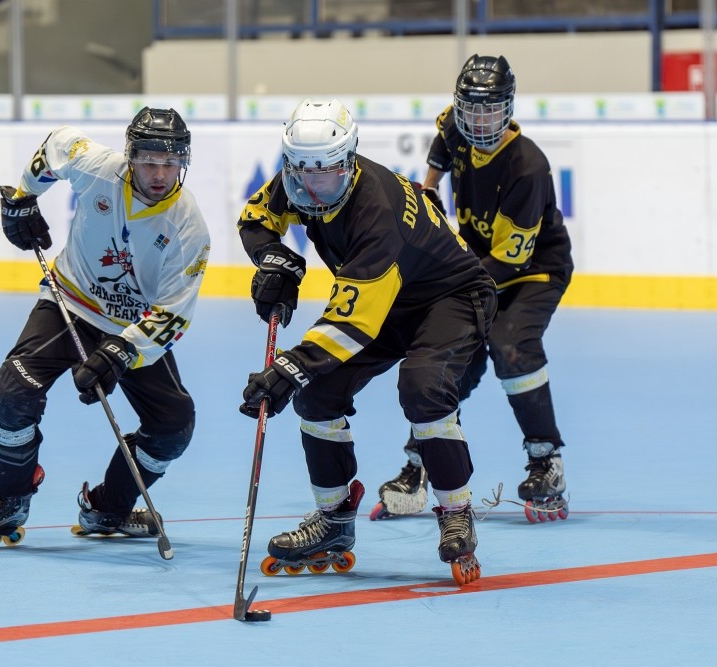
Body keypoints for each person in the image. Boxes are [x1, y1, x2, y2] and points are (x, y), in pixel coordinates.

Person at [237, 98, 496, 583]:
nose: (313, 187)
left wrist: (289, 368)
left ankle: (456, 510)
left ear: (350, 161)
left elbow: (352, 324)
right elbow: (255, 218)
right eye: (301, 171)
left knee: (422, 388)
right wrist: (274, 258)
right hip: (386, 300)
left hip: (450, 297)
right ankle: (334, 519)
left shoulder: (378, 212)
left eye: (327, 173)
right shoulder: (300, 178)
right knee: (317, 395)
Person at [0, 107, 210, 548]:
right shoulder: (99, 168)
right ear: (130, 156)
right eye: (148, 160)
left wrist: (121, 352)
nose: (159, 173)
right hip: (70, 303)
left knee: (173, 426)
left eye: (170, 162)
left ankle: (109, 507)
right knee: (14, 390)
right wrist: (23, 197)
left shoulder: (188, 229)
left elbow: (174, 314)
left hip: (131, 328)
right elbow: (58, 144)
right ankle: (10, 501)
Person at [373, 54, 574, 524]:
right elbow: (443, 141)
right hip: (478, 262)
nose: (479, 121)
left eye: (491, 110)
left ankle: (546, 461)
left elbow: (512, 258)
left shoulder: (528, 168)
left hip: (532, 270)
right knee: (449, 354)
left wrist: (448, 283)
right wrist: (429, 187)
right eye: (472, 111)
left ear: (509, 109)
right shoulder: (455, 125)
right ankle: (420, 464)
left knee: (510, 343)